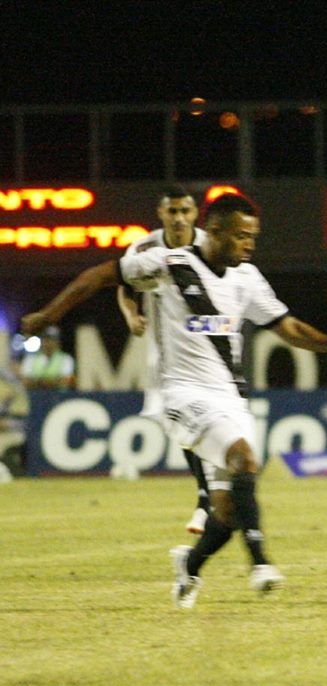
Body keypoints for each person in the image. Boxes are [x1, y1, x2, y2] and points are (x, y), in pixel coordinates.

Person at [21, 194, 327, 608]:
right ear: (218, 231)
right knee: (245, 460)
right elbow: (99, 277)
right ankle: (261, 563)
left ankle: (188, 566)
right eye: (242, 236)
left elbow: (290, 328)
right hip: (183, 394)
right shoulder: (170, 264)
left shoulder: (247, 278)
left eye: (253, 237)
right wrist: (50, 314)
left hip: (231, 400)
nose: (250, 244)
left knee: (226, 513)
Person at [119, 184, 212, 533]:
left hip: (208, 351)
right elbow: (125, 286)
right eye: (171, 211)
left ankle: (207, 499)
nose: (178, 218)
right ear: (161, 213)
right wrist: (132, 316)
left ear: (194, 213)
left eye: (184, 211)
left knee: (198, 420)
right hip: (166, 357)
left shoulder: (208, 246)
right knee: (182, 426)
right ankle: (210, 495)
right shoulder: (144, 247)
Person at [20, 326, 75, 390]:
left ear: (57, 342)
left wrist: (37, 382)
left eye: (52, 340)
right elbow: (25, 382)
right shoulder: (31, 359)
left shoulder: (66, 359)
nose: (48, 343)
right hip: (35, 397)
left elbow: (66, 381)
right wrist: (53, 381)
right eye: (45, 339)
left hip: (59, 397)